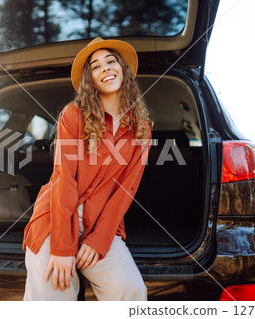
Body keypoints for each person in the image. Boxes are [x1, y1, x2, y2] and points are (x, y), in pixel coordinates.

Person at [22, 37, 153, 301]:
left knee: (130, 290)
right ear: (90, 79)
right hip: (55, 219)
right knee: (55, 291)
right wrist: (61, 247)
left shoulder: (142, 130)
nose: (105, 68)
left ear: (123, 71)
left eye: (111, 61)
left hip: (101, 226)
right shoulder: (74, 115)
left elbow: (125, 191)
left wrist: (99, 240)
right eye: (96, 66)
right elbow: (64, 179)